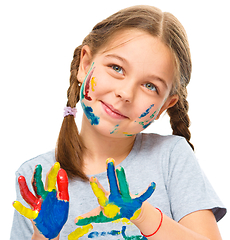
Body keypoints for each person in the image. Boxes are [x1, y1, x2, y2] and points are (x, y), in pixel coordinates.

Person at [10, 5, 226, 240]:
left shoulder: (171, 157)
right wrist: (45, 236)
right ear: (85, 65)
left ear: (163, 107)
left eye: (150, 86)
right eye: (116, 68)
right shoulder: (37, 178)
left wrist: (143, 216)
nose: (126, 93)